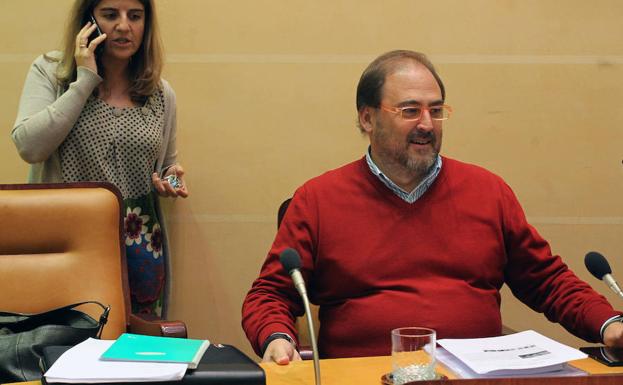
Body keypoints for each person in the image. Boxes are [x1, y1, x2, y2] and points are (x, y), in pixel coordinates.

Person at [241, 50, 623, 364]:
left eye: (436, 111)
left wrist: (609, 323)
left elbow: (547, 280)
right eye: (410, 111)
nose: (427, 124)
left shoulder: (487, 191)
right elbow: (270, 295)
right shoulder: (319, 199)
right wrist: (276, 338)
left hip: (475, 375)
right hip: (364, 375)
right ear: (367, 117)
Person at [11, 0, 188, 317]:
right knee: (65, 347)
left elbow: (168, 168)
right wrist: (85, 80)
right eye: (110, 15)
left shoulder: (161, 93)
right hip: (66, 242)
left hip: (140, 246)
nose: (124, 26)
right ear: (87, 22)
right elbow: (29, 147)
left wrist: (172, 182)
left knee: (134, 357)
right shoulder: (52, 73)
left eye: (135, 16)